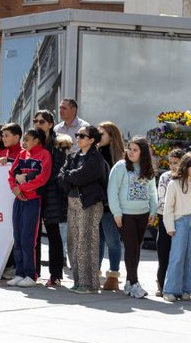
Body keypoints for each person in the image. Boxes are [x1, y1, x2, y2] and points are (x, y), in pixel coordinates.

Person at [58, 124, 107, 295]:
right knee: (73, 242)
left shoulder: (96, 158)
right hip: (72, 202)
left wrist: (69, 176)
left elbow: (81, 176)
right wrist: (69, 177)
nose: (78, 138)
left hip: (89, 203)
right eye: (77, 135)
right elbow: (61, 176)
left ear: (92, 140)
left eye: (82, 136)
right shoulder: (73, 156)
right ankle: (78, 281)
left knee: (86, 241)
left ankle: (89, 284)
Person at [108, 136, 158, 299]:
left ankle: (130, 282)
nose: (131, 152)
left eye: (135, 150)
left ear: (143, 152)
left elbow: (152, 192)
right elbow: (112, 191)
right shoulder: (120, 167)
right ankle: (134, 282)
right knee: (130, 247)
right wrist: (116, 213)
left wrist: (153, 211)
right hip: (125, 215)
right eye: (129, 148)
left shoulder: (147, 169)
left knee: (136, 248)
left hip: (143, 214)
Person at [8, 126, 52, 288]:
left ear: (36, 140)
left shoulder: (44, 155)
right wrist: (14, 188)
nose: (23, 142)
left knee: (28, 238)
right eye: (23, 139)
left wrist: (21, 188)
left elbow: (42, 178)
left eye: (27, 139)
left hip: (33, 200)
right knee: (18, 237)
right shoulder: (21, 154)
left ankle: (30, 275)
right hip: (19, 199)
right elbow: (11, 174)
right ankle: (19, 273)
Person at [162, 152, 191, 303]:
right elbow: (168, 207)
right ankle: (171, 290)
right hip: (180, 221)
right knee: (177, 255)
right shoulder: (174, 184)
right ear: (186, 167)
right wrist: (170, 226)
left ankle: (188, 289)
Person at [33, 110, 67, 288]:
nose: (38, 124)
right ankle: (34, 271)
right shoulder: (33, 141)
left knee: (53, 235)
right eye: (35, 121)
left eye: (42, 121)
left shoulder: (58, 143)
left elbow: (57, 170)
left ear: (50, 124)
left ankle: (55, 275)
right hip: (35, 192)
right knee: (34, 234)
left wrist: (36, 178)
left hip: (52, 194)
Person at [97, 121, 126, 291]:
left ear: (112, 137)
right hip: (96, 204)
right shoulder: (95, 153)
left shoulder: (120, 159)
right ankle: (95, 273)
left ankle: (113, 275)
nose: (98, 137)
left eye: (102, 134)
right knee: (98, 241)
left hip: (111, 206)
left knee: (112, 240)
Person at [155, 148, 184, 296]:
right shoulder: (165, 177)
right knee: (163, 252)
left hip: (181, 218)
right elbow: (162, 199)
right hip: (165, 217)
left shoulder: (187, 177)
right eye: (171, 163)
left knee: (179, 255)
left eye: (176, 163)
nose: (173, 166)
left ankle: (178, 286)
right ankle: (161, 284)